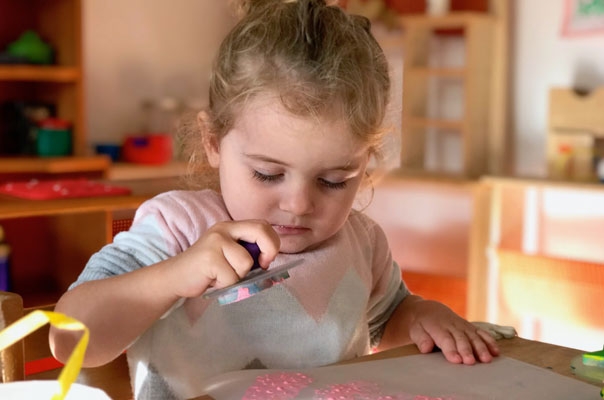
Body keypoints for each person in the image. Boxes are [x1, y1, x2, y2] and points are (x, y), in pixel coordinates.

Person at [50, 1, 500, 398]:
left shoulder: (361, 242)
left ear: (367, 161)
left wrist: (423, 316)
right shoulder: (178, 227)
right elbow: (69, 338)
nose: (299, 203)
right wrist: (174, 275)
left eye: (334, 180)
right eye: (268, 173)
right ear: (213, 141)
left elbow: (390, 322)